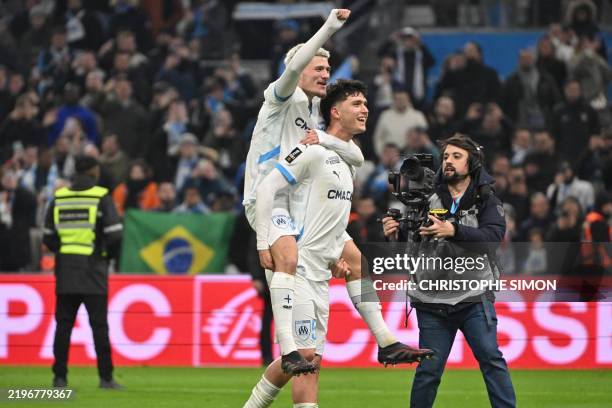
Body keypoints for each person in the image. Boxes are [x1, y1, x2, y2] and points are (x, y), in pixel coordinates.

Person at [243, 8, 423, 375]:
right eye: (319, 67)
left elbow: (354, 154)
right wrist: (329, 28)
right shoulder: (279, 99)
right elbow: (293, 69)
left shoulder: (312, 114)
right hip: (266, 199)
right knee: (289, 259)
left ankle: (386, 342)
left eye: (328, 69)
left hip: (298, 206)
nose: (326, 73)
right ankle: (290, 347)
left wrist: (324, 137)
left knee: (355, 258)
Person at [382, 134, 516, 407]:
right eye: (445, 157)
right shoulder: (424, 196)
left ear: (473, 162)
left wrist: (453, 230)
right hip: (431, 299)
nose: (449, 162)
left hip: (473, 295)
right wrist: (393, 236)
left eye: (456, 156)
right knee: (429, 370)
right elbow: (409, 248)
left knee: (491, 358)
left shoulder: (485, 198)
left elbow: (492, 239)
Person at [42, 155, 123, 390]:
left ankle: (59, 379)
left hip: (66, 270)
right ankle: (106, 378)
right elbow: (115, 234)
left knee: (63, 325)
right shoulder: (100, 197)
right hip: (93, 270)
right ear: (94, 171)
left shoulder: (58, 198)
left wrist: (64, 253)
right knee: (99, 326)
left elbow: (48, 238)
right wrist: (105, 256)